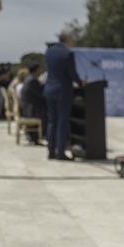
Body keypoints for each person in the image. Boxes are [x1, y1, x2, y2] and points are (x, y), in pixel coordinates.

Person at [44, 32, 83, 161]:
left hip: (49, 90)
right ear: (68, 40)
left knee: (51, 121)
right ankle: (60, 153)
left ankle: (50, 151)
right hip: (63, 92)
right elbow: (72, 74)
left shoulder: (49, 52)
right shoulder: (68, 54)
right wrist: (81, 83)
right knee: (62, 122)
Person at [20, 64, 46, 144]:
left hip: (27, 107)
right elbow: (40, 95)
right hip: (31, 109)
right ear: (36, 70)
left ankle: (35, 137)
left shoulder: (28, 78)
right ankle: (40, 136)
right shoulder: (33, 80)